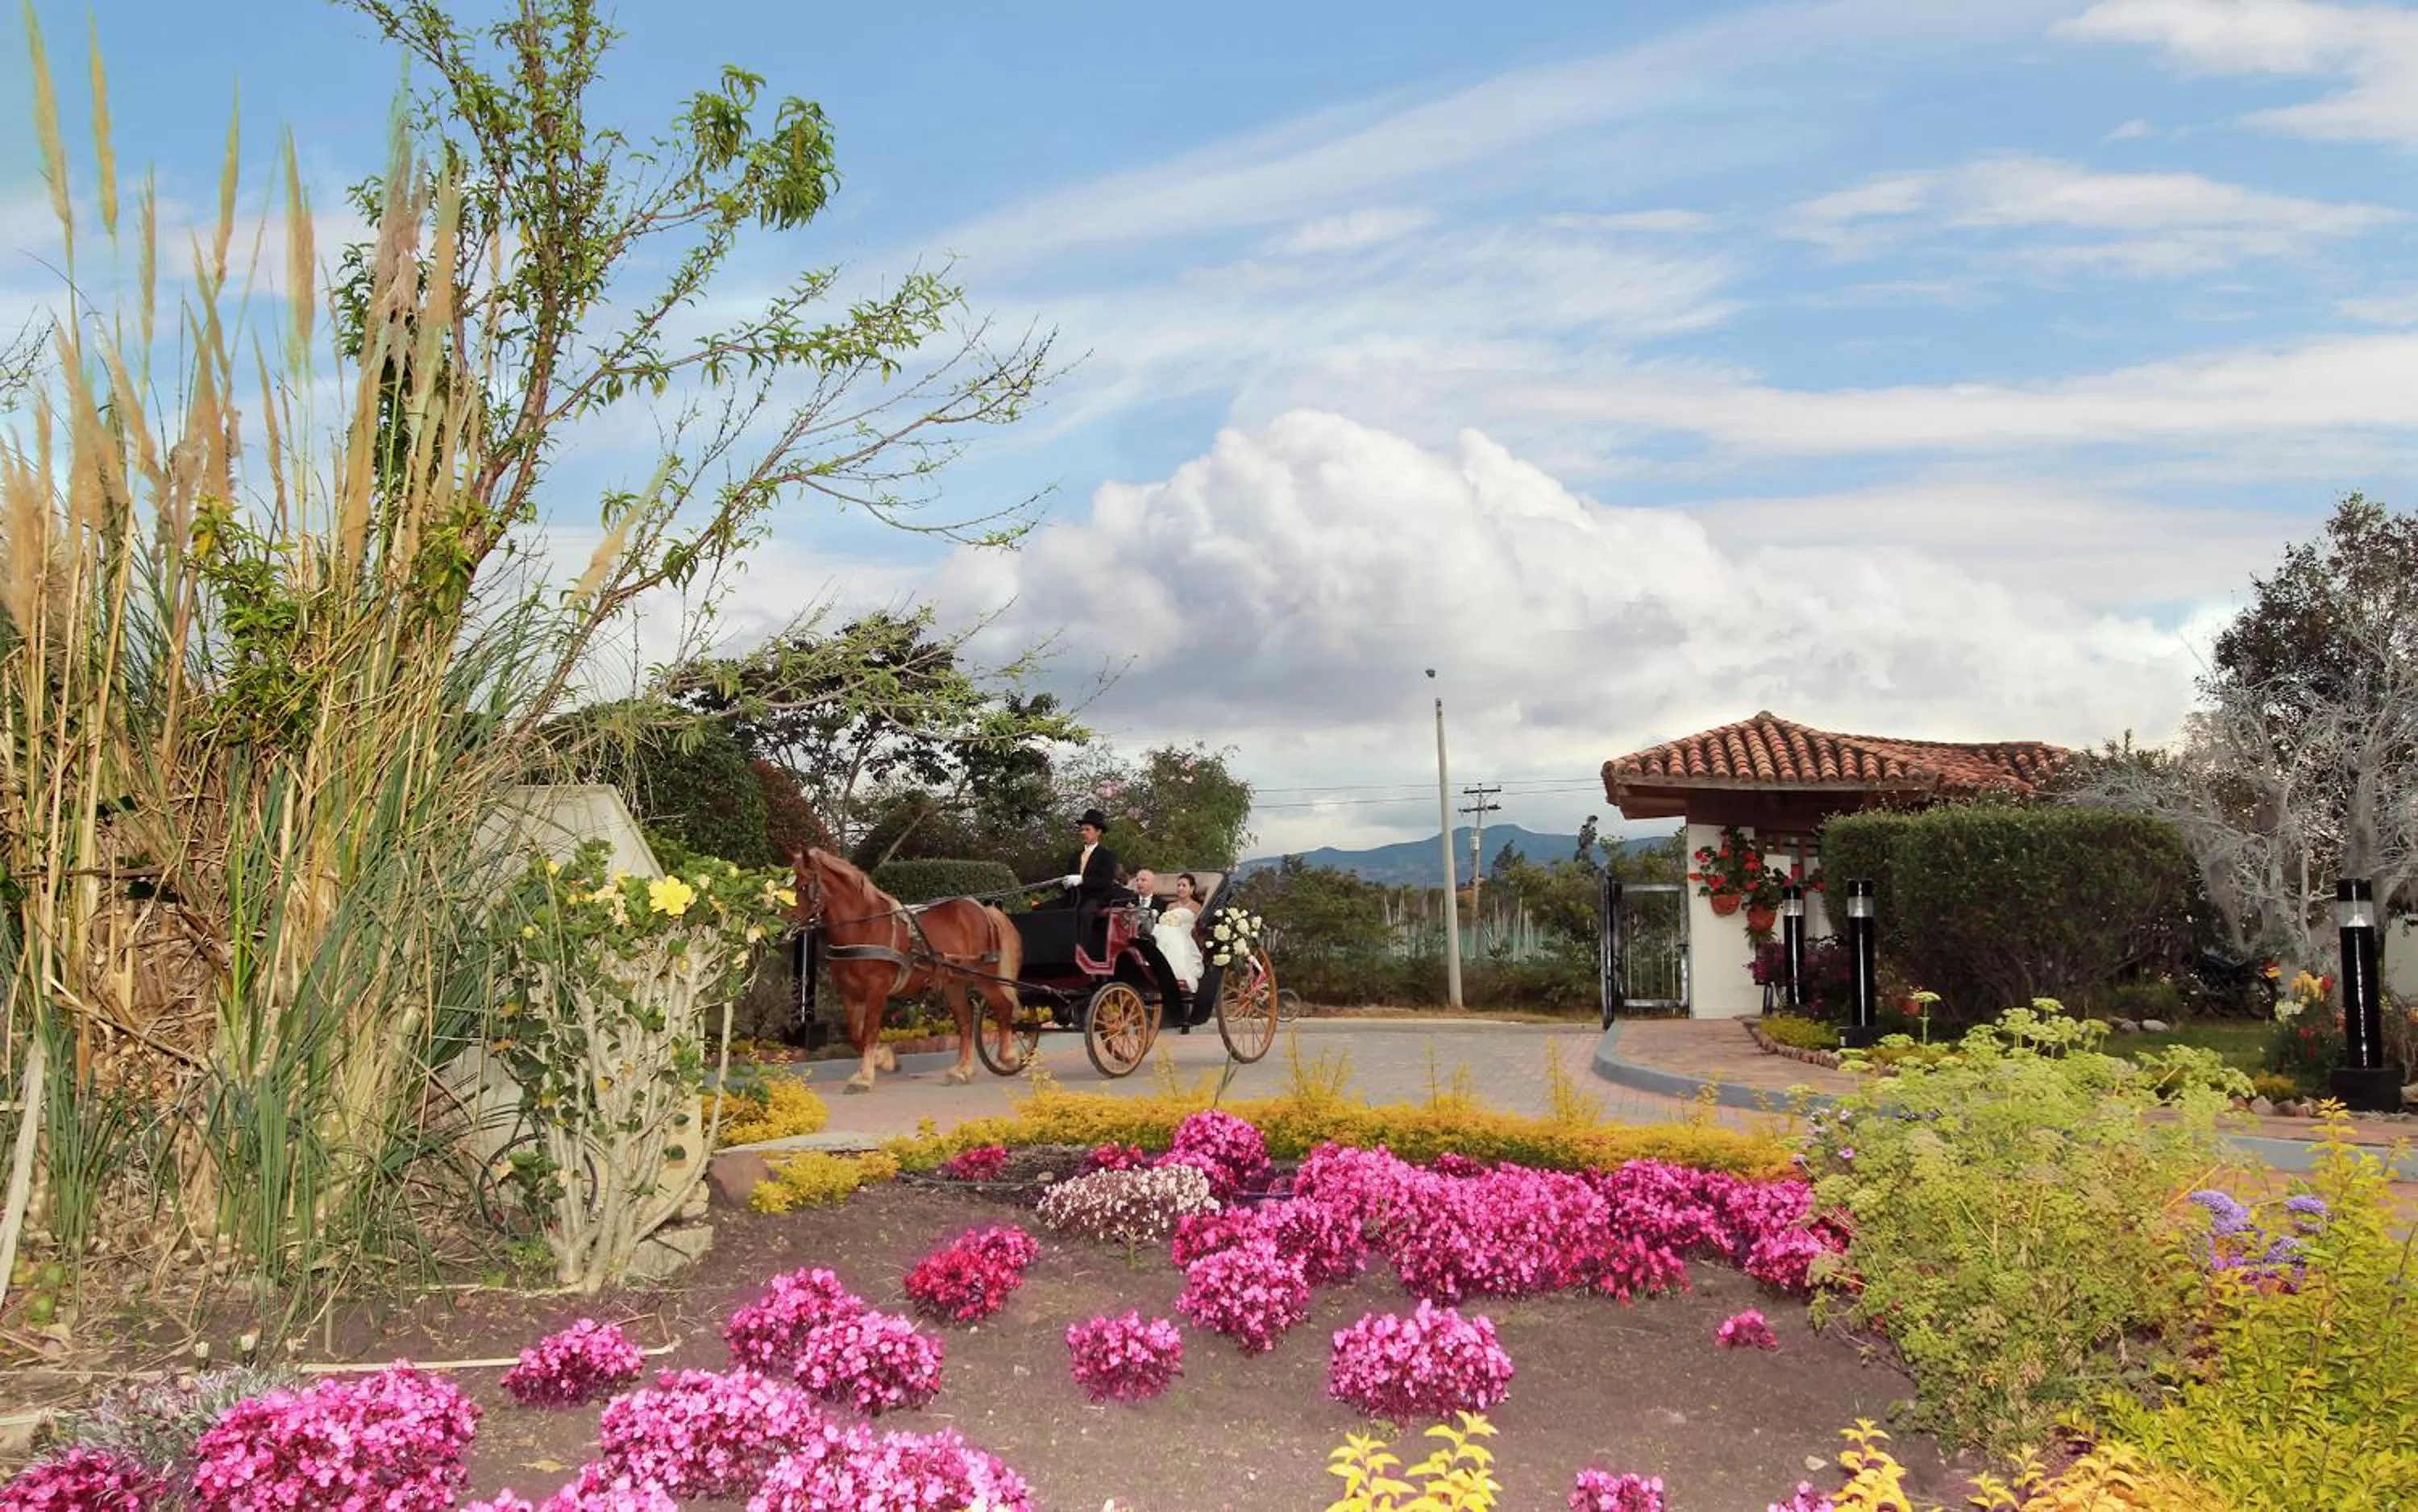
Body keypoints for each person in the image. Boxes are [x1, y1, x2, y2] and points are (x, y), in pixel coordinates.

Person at [1053, 808, 1120, 950]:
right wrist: (1066, 884)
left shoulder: (1107, 855)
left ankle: (1082, 950)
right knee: (1046, 909)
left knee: (1084, 913)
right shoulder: (1075, 856)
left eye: (1087, 829)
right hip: (1075, 896)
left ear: (1098, 832)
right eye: (1082, 830)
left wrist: (1083, 880)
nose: (1083, 833)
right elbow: (1069, 878)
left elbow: (1105, 881)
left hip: (1097, 897)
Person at [1153, 872, 1207, 995]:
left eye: (1184, 885)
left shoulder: (1196, 907)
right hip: (1167, 930)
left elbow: (1196, 926)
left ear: (1192, 889)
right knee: (1159, 930)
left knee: (1172, 934)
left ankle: (1175, 972)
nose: (1180, 888)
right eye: (1179, 885)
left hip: (1185, 935)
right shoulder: (1171, 906)